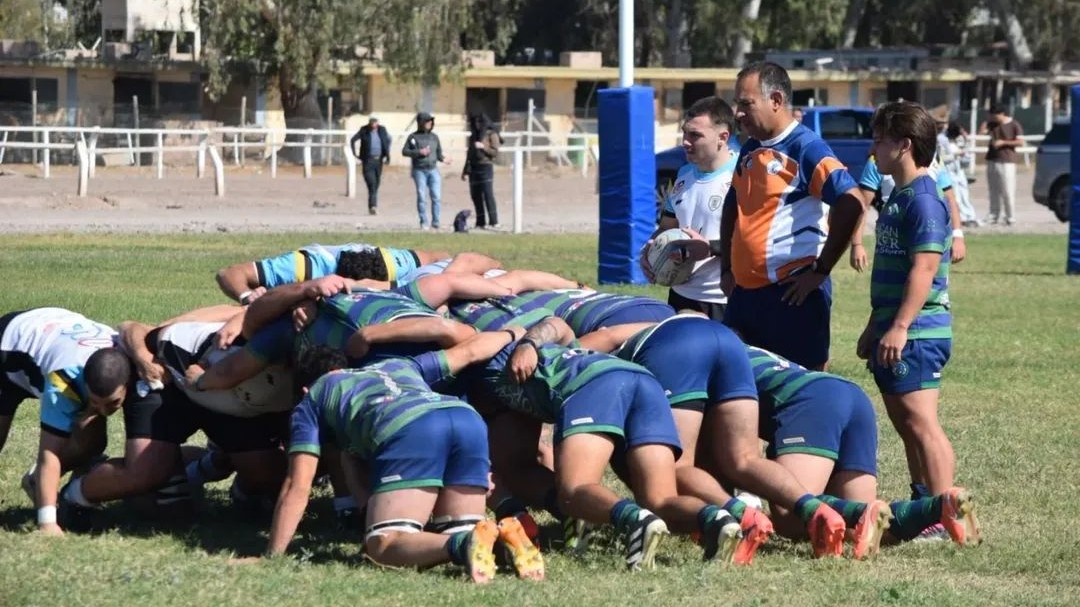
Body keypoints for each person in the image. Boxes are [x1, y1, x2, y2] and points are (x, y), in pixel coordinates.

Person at [262, 333, 544, 583]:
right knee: (455, 530)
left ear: (303, 388)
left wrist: (272, 555)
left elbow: (297, 486)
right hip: (464, 418)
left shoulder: (312, 399)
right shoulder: (398, 365)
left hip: (410, 426)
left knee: (383, 546)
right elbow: (467, 352)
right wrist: (513, 333)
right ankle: (504, 537)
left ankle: (465, 543)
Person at [717, 61, 864, 371]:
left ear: (776, 100)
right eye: (737, 103)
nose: (738, 112)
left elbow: (851, 202)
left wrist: (821, 270)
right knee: (739, 387)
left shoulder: (806, 148)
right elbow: (733, 205)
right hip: (745, 297)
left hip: (792, 296)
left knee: (802, 391)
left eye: (746, 103)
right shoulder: (751, 148)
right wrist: (728, 268)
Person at [856, 101, 958, 520]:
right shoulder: (898, 194)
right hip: (893, 328)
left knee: (921, 423)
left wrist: (899, 326)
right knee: (905, 424)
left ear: (905, 144)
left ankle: (946, 512)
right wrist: (874, 326)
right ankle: (923, 505)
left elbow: (925, 268)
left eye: (879, 140)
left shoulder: (925, 199)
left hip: (916, 333)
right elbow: (895, 274)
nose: (873, 149)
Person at [641, 96, 738, 321]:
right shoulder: (683, 175)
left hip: (723, 298)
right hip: (680, 294)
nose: (685, 141)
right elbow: (667, 227)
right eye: (685, 133)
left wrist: (710, 248)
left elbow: (756, 242)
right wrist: (650, 251)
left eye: (695, 135)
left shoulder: (742, 177)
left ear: (723, 137)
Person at [215, 242, 450, 303]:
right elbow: (228, 274)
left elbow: (443, 257)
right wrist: (246, 296)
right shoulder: (307, 266)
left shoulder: (396, 263)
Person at [402, 112, 450, 230]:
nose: (430, 123)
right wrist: (419, 152)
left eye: (431, 121)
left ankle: (436, 221)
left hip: (433, 170)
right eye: (427, 121)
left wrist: (444, 159)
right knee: (422, 197)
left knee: (436, 196)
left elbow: (438, 153)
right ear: (421, 123)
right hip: (419, 171)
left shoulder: (434, 137)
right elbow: (405, 151)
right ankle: (424, 221)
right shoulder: (413, 137)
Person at [979, 104, 1024, 226]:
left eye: (994, 115)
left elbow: (1020, 142)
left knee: (1008, 190)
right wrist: (986, 121)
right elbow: (982, 132)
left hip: (1007, 160)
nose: (993, 118)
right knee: (993, 190)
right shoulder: (992, 124)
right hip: (992, 159)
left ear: (1002, 114)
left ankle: (1010, 216)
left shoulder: (1014, 124)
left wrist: (1004, 142)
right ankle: (993, 215)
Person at [462, 113, 501, 229]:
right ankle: (480, 221)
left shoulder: (491, 134)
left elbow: (495, 152)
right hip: (473, 167)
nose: (477, 125)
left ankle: (494, 221)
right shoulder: (473, 136)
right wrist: (465, 170)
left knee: (488, 194)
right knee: (475, 195)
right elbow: (469, 153)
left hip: (486, 166)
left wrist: (483, 147)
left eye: (479, 122)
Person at [350, 117, 391, 215]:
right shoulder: (364, 130)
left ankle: (372, 205)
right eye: (372, 123)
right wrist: (356, 155)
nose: (373, 125)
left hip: (379, 161)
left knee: (376, 184)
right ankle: (373, 206)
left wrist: (387, 155)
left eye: (375, 123)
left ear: (377, 123)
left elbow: (388, 140)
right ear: (369, 124)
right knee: (372, 183)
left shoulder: (382, 130)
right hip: (368, 161)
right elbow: (353, 140)